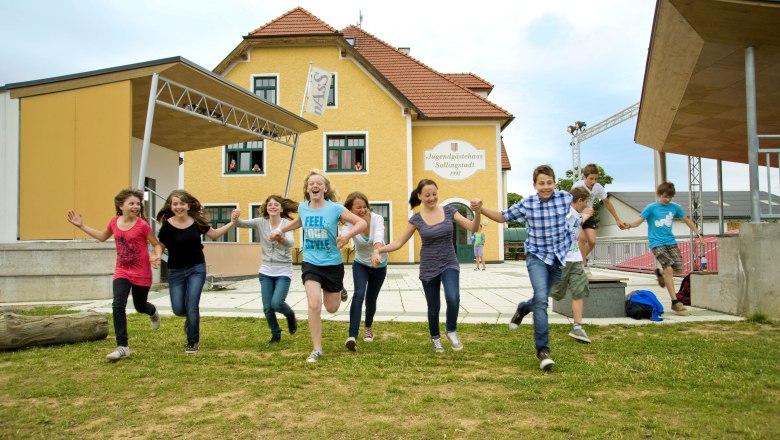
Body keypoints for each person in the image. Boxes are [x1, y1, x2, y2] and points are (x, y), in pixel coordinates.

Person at [471, 165, 571, 371]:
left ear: (555, 183)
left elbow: (582, 200)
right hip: (536, 256)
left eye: (549, 183)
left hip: (558, 257)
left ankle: (523, 308)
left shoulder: (565, 198)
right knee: (542, 300)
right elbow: (502, 216)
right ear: (534, 185)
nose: (546, 187)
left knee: (540, 299)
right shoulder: (528, 204)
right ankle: (543, 351)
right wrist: (481, 210)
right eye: (541, 183)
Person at [269, 170, 367, 363]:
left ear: (325, 188)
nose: (315, 186)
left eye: (319, 183)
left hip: (332, 264)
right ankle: (317, 349)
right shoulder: (303, 209)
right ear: (307, 189)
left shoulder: (335, 208)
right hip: (311, 262)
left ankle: (339, 290)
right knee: (314, 304)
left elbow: (361, 222)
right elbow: (299, 222)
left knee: (331, 308)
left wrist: (347, 236)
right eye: (311, 183)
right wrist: (279, 229)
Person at [375, 179, 481, 353]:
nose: (432, 198)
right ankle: (435, 338)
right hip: (429, 266)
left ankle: (451, 330)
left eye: (434, 194)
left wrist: (477, 213)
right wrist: (379, 250)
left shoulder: (449, 211)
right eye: (427, 195)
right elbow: (399, 242)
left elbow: (473, 227)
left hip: (449, 262)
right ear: (420, 196)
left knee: (453, 297)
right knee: (434, 306)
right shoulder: (416, 219)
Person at [66, 188, 163, 363]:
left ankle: (153, 311)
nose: (136, 206)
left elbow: (156, 244)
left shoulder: (143, 225)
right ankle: (123, 347)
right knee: (118, 305)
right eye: (131, 203)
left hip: (141, 272)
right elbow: (103, 237)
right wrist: (82, 226)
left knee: (140, 306)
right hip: (122, 271)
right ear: (121, 205)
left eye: (138, 203)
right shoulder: (113, 222)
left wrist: (155, 255)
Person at [156, 190, 239, 354]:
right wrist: (157, 256)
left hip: (196, 268)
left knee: (192, 305)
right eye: (175, 204)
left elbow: (214, 235)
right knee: (179, 309)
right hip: (176, 271)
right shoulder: (167, 226)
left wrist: (232, 223)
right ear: (171, 206)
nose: (179, 207)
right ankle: (189, 320)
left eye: (182, 203)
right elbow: (160, 245)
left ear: (188, 206)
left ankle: (192, 341)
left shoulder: (196, 222)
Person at [624, 182, 702, 315]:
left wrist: (698, 234)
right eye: (665, 197)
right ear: (659, 195)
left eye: (670, 197)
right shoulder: (652, 208)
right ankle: (675, 302)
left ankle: (660, 273)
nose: (667, 200)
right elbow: (638, 221)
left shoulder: (675, 207)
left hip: (670, 242)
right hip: (656, 243)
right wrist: (628, 225)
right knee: (669, 269)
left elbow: (687, 220)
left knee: (678, 269)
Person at [236, 195, 299, 344]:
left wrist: (279, 237)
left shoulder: (287, 223)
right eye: (270, 205)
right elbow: (241, 224)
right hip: (266, 270)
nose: (272, 207)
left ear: (281, 208)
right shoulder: (260, 222)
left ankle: (290, 315)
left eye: (276, 205)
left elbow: (290, 243)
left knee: (276, 304)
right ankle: (275, 333)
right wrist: (235, 218)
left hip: (283, 270)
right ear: (266, 208)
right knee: (267, 307)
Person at [341, 192, 388, 351]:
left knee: (371, 299)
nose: (362, 210)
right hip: (360, 263)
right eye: (358, 208)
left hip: (379, 265)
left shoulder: (377, 219)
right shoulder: (348, 225)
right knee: (359, 294)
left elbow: (378, 237)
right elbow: (343, 237)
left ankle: (368, 326)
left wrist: (377, 252)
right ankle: (352, 336)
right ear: (350, 210)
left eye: (364, 206)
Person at [549, 186, 594, 343]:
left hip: (575, 259)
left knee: (578, 290)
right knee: (555, 292)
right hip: (562, 260)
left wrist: (584, 216)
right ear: (580, 200)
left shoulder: (575, 214)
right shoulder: (567, 213)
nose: (587, 204)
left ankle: (578, 327)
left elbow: (577, 224)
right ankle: (529, 305)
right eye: (586, 201)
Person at [571, 163, 627, 273]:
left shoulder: (598, 188)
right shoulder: (577, 186)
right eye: (590, 179)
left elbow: (607, 202)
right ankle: (583, 264)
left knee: (592, 241)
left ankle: (579, 259)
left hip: (589, 215)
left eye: (595, 179)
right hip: (578, 214)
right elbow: (570, 202)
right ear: (584, 177)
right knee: (581, 237)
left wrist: (617, 219)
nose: (593, 182)